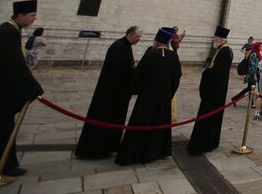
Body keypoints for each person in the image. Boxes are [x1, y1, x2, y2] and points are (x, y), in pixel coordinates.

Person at [115, 27, 182, 165]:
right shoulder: (173, 56)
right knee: (160, 124)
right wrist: (169, 93)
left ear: (157, 41)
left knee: (142, 122)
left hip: (147, 97)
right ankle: (158, 151)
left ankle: (135, 153)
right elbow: (177, 77)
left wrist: (136, 90)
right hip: (163, 98)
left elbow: (139, 75)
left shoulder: (151, 54)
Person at [75, 26, 141, 159]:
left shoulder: (124, 46)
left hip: (115, 92)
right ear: (130, 34)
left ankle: (109, 146)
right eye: (137, 36)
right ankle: (98, 148)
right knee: (106, 121)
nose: (139, 39)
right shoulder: (119, 47)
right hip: (111, 94)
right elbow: (119, 71)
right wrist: (133, 69)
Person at [0, 0, 44, 177]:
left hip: (3, 89)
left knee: (6, 128)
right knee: (3, 129)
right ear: (20, 15)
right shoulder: (8, 32)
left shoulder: (10, 30)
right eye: (31, 16)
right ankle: (5, 165)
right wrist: (33, 87)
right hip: (2, 92)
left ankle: (7, 163)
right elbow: (16, 64)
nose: (34, 18)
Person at [188, 26, 232, 154]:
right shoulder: (221, 50)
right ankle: (209, 141)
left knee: (208, 116)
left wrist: (206, 72)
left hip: (215, 92)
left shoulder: (224, 51)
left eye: (215, 37)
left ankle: (203, 143)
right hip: (216, 90)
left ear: (220, 39)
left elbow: (218, 72)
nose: (213, 39)